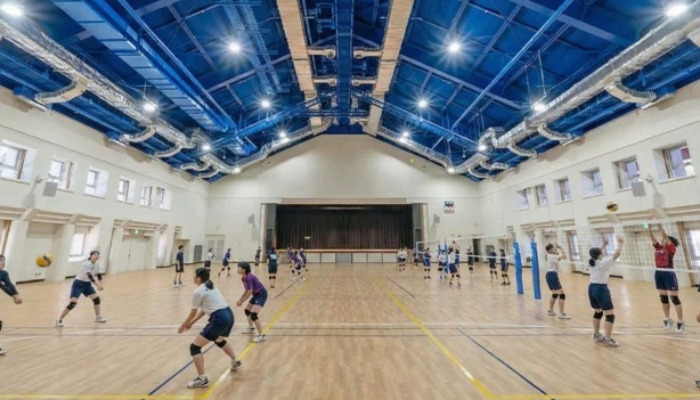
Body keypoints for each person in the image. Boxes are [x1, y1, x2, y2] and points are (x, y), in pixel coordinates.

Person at [178, 268, 242, 389]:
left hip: (219, 318)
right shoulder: (210, 285)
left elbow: (193, 312)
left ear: (199, 278)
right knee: (218, 339)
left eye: (195, 276)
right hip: (228, 314)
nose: (193, 278)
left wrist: (184, 324)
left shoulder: (198, 291)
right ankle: (235, 361)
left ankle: (202, 379)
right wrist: (191, 323)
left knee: (194, 347)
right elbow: (204, 309)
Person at [588, 236, 624, 347]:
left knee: (598, 312)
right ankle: (608, 339)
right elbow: (617, 253)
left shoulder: (591, 261)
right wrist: (620, 242)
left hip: (591, 288)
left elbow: (596, 254)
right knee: (610, 315)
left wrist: (603, 245)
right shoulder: (603, 263)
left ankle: (597, 335)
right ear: (600, 255)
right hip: (601, 289)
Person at [55, 250, 106, 327]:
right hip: (78, 284)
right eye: (95, 254)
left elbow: (99, 276)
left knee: (97, 299)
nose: (97, 255)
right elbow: (90, 277)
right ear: (90, 256)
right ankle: (59, 320)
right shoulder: (86, 264)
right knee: (73, 304)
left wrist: (101, 285)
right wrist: (98, 285)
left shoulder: (97, 265)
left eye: (98, 254)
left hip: (87, 284)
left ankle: (98, 317)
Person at [650, 224, 684, 333]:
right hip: (658, 273)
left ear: (670, 242)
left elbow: (664, 235)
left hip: (668, 273)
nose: (662, 240)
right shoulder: (658, 247)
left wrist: (658, 223)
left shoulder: (671, 248)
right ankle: (667, 319)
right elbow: (652, 238)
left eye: (665, 239)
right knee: (663, 297)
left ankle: (680, 322)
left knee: (674, 298)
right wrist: (649, 227)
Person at [236, 262, 268, 343]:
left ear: (244, 269)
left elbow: (249, 292)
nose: (237, 269)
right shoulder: (244, 278)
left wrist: (242, 301)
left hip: (261, 294)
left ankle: (261, 335)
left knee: (253, 315)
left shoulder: (249, 277)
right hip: (256, 294)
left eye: (239, 267)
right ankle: (251, 328)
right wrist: (240, 299)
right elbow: (246, 290)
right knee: (247, 311)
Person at [0, 255, 22, 356]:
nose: (3, 263)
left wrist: (16, 294)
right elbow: (2, 285)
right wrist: (13, 295)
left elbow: (8, 284)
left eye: (3, 261)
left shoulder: (4, 273)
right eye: (1, 261)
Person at [545, 243, 570, 319]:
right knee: (562, 295)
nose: (555, 249)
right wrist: (561, 247)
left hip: (549, 275)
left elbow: (557, 254)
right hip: (552, 275)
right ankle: (561, 314)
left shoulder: (549, 255)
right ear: (550, 250)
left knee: (555, 294)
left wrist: (556, 249)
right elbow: (565, 256)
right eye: (553, 248)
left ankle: (550, 311)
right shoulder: (552, 256)